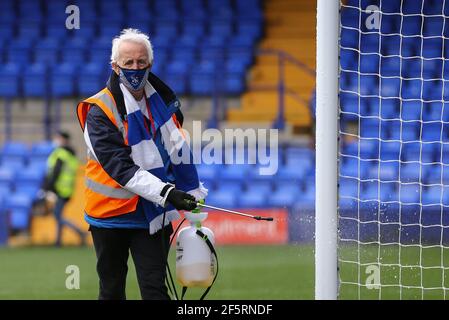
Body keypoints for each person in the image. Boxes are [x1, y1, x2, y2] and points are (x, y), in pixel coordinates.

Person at [76, 28, 207, 300]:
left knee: (155, 289)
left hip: (151, 214)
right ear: (115, 66)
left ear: (150, 64)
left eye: (141, 62)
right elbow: (119, 167)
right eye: (128, 63)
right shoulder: (99, 110)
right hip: (109, 216)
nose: (135, 68)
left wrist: (188, 191)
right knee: (111, 291)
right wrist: (169, 193)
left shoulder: (165, 104)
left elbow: (176, 151)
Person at [44, 130, 86, 246]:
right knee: (59, 215)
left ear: (63, 140)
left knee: (58, 216)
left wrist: (49, 188)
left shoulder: (61, 154)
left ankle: (80, 232)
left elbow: (55, 173)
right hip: (67, 190)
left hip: (59, 189)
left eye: (58, 137)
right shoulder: (71, 155)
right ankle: (58, 241)